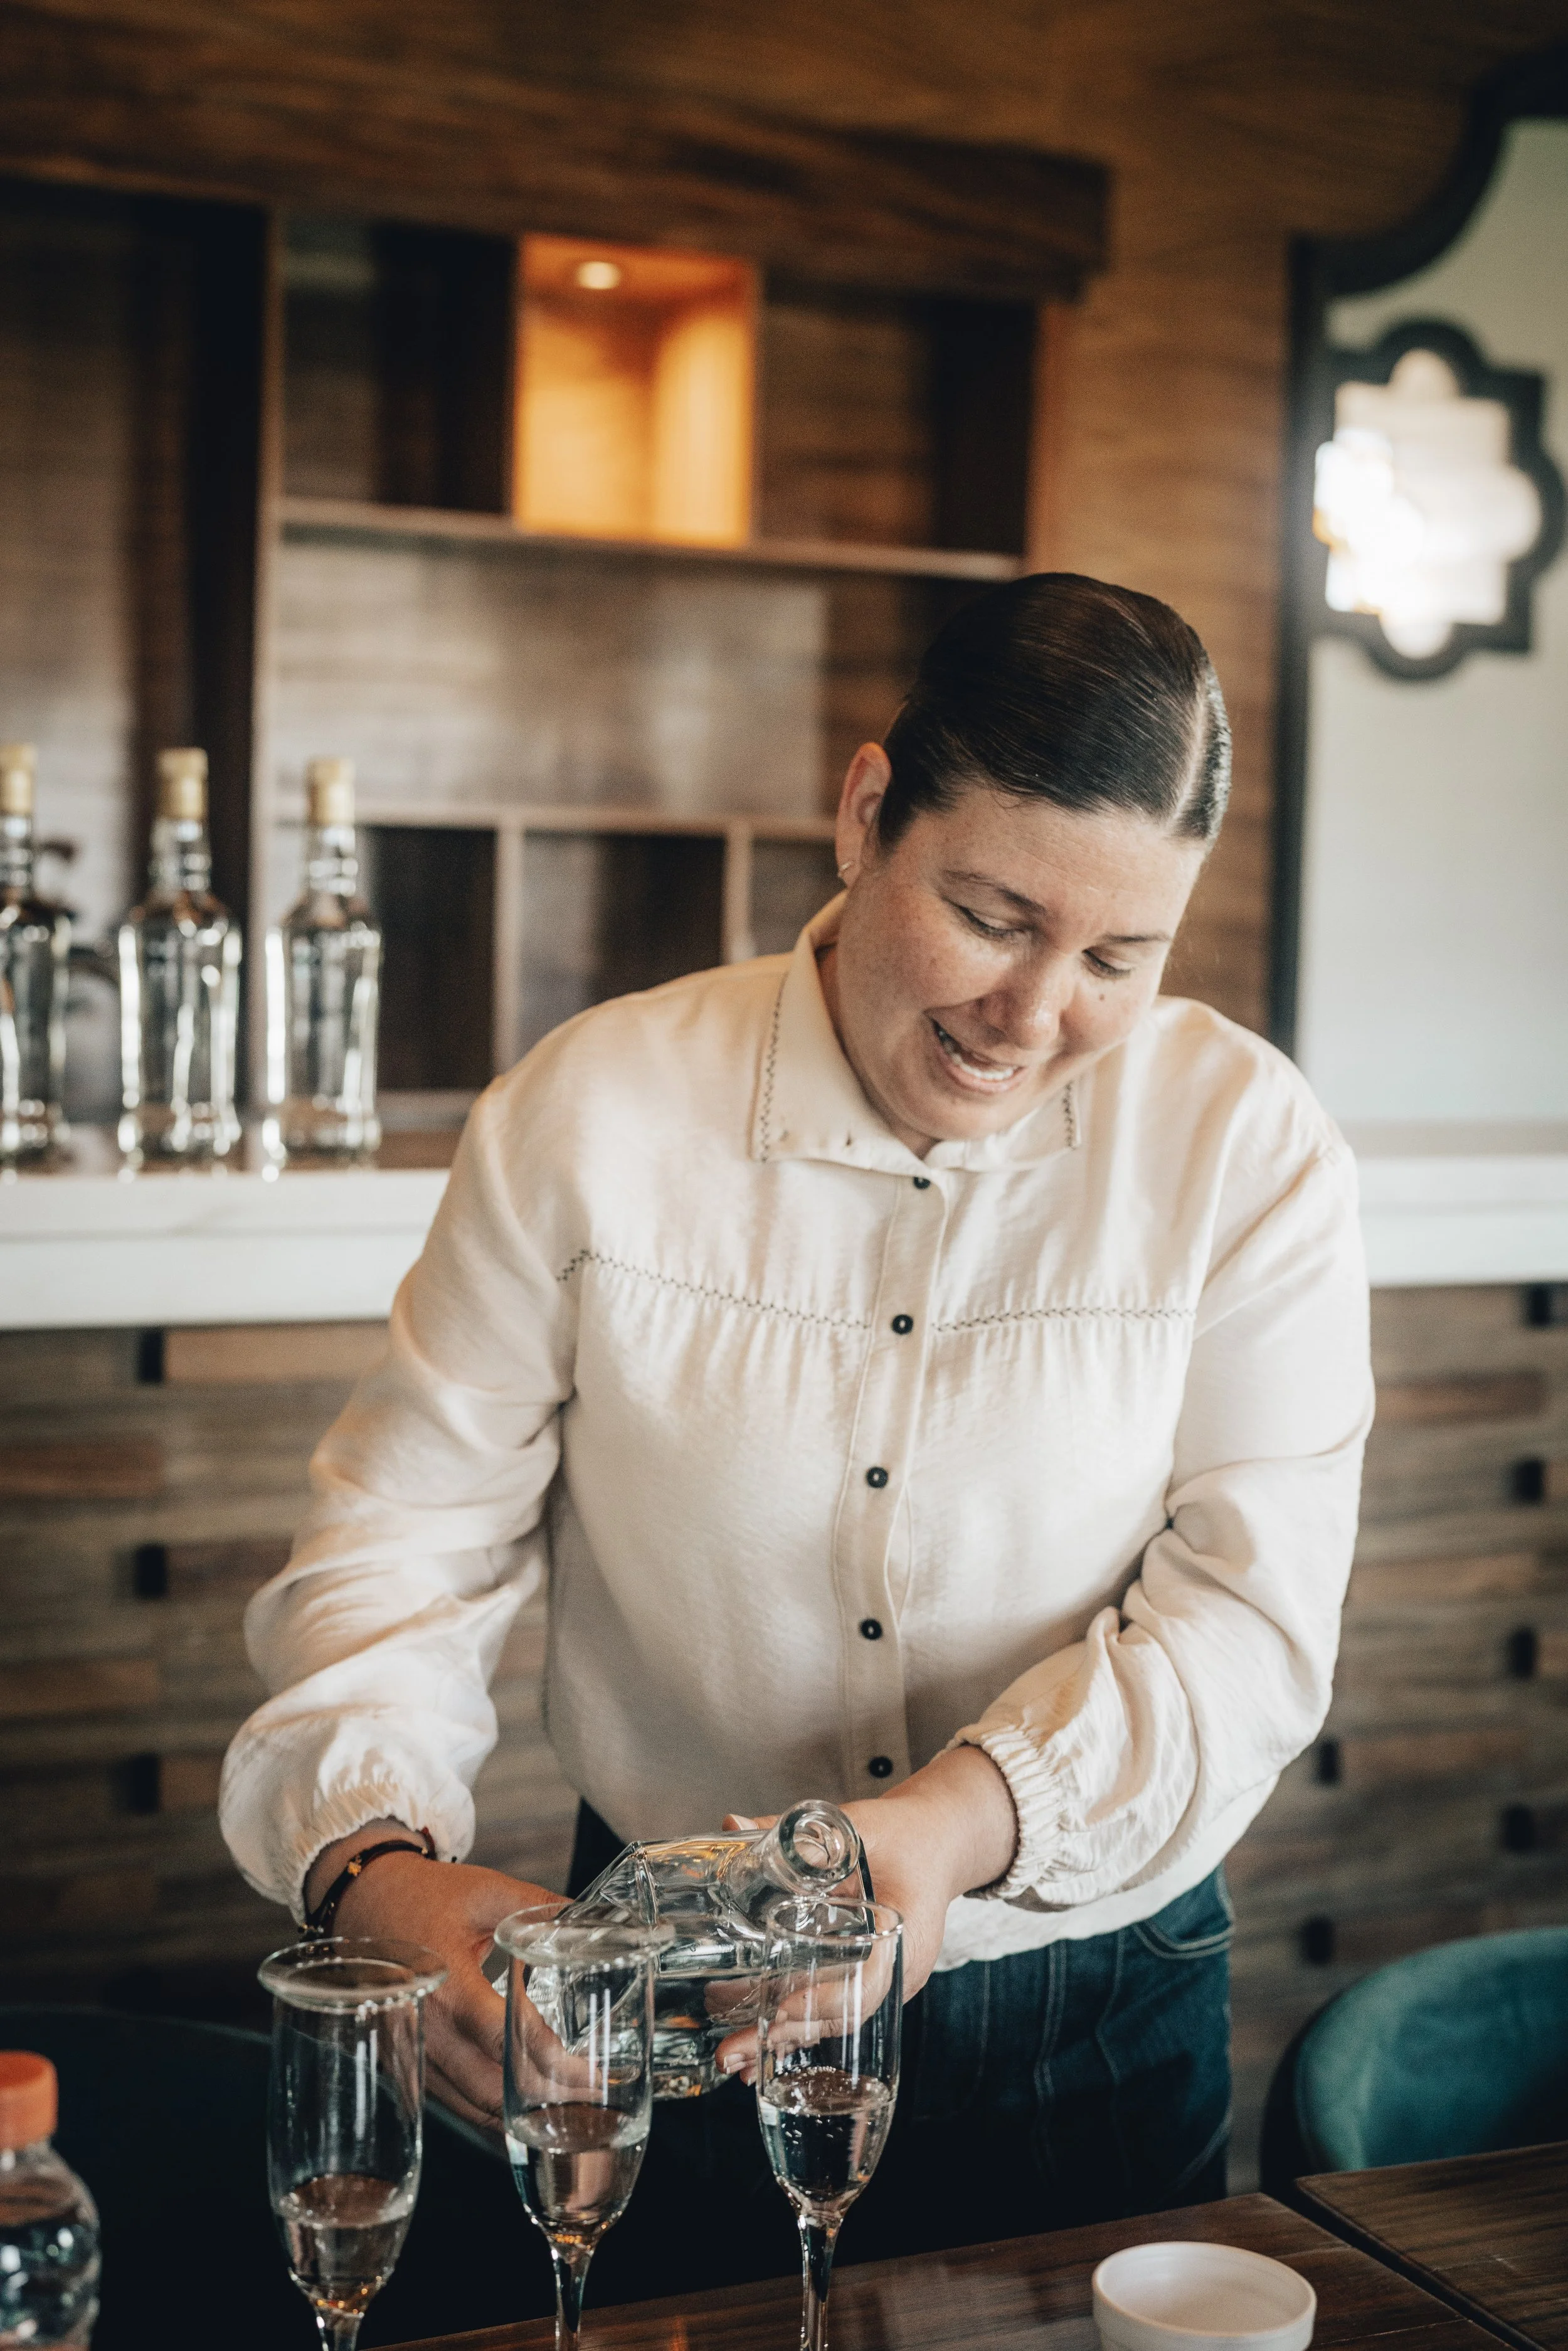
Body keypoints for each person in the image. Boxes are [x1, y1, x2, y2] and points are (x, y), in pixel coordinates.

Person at [221, 573, 1370, 2285]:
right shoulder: (589, 1112)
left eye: (1118, 956)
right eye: (991, 914)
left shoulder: (1243, 1144)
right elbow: (402, 1541)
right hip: (668, 1998)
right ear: (862, 814)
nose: (1035, 1011)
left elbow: (1243, 1626)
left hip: (1088, 2010)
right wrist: (373, 1868)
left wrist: (948, 1827)